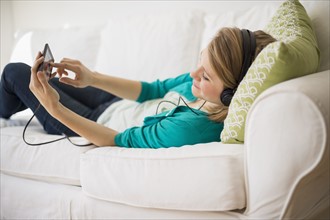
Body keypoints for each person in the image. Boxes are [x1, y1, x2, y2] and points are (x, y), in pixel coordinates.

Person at [0, 27, 276, 148]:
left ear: (231, 94)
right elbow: (151, 90)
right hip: (116, 102)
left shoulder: (191, 128)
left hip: (95, 123)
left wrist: (53, 107)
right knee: (46, 77)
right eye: (200, 62)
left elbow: (118, 140)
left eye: (206, 77)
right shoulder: (200, 84)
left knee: (15, 73)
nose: (193, 74)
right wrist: (92, 77)